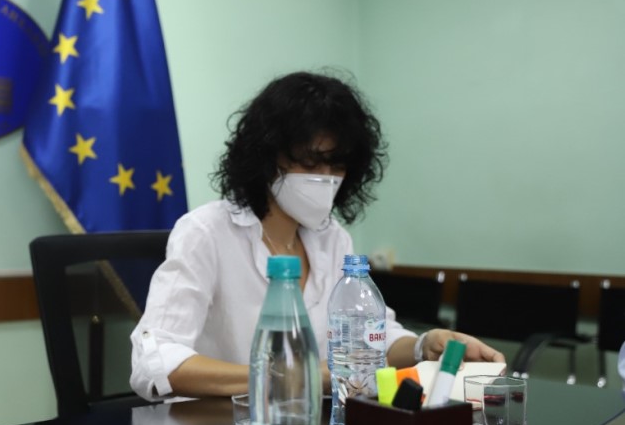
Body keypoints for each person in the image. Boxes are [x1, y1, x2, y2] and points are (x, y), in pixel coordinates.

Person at [129, 71, 504, 400]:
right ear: (266, 158)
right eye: (310, 161)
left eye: (336, 164)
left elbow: (369, 339)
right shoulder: (206, 232)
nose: (325, 177)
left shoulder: (333, 240)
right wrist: (292, 377)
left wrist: (426, 344)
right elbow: (155, 360)